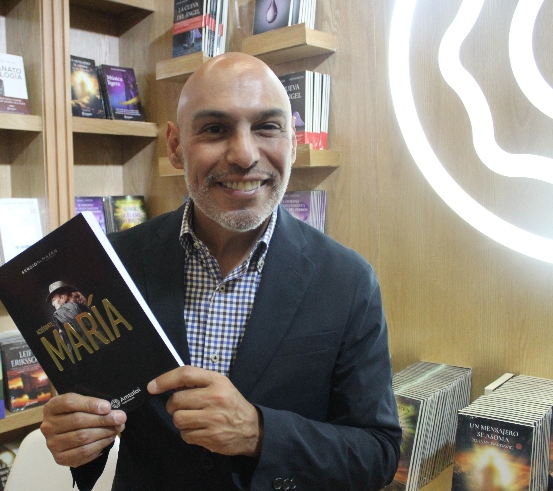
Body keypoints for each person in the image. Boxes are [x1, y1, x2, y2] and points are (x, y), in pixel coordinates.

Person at [40, 52, 401, 490]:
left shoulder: (347, 281)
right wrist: (78, 438)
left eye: (267, 127)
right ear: (175, 146)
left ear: (292, 141)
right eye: (215, 129)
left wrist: (259, 434)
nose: (245, 155)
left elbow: (378, 453)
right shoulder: (114, 264)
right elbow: (97, 414)